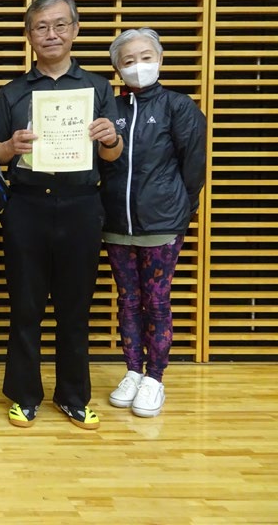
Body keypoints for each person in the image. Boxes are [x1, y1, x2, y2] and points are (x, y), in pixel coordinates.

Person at [0, 0, 123, 430]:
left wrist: (110, 138)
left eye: (60, 25)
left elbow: (113, 155)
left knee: (75, 308)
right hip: (26, 205)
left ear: (75, 30)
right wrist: (11, 146)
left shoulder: (98, 88)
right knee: (25, 306)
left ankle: (73, 397)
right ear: (29, 36)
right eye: (41, 27)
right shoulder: (13, 92)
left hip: (82, 205)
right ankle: (25, 395)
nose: (51, 34)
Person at [100, 28, 206, 418]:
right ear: (117, 68)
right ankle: (132, 370)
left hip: (162, 224)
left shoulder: (179, 106)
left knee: (157, 301)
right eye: (128, 61)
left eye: (145, 57)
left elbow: (193, 166)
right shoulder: (109, 108)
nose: (138, 66)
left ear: (160, 59)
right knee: (127, 300)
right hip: (116, 222)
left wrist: (179, 210)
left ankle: (155, 377)